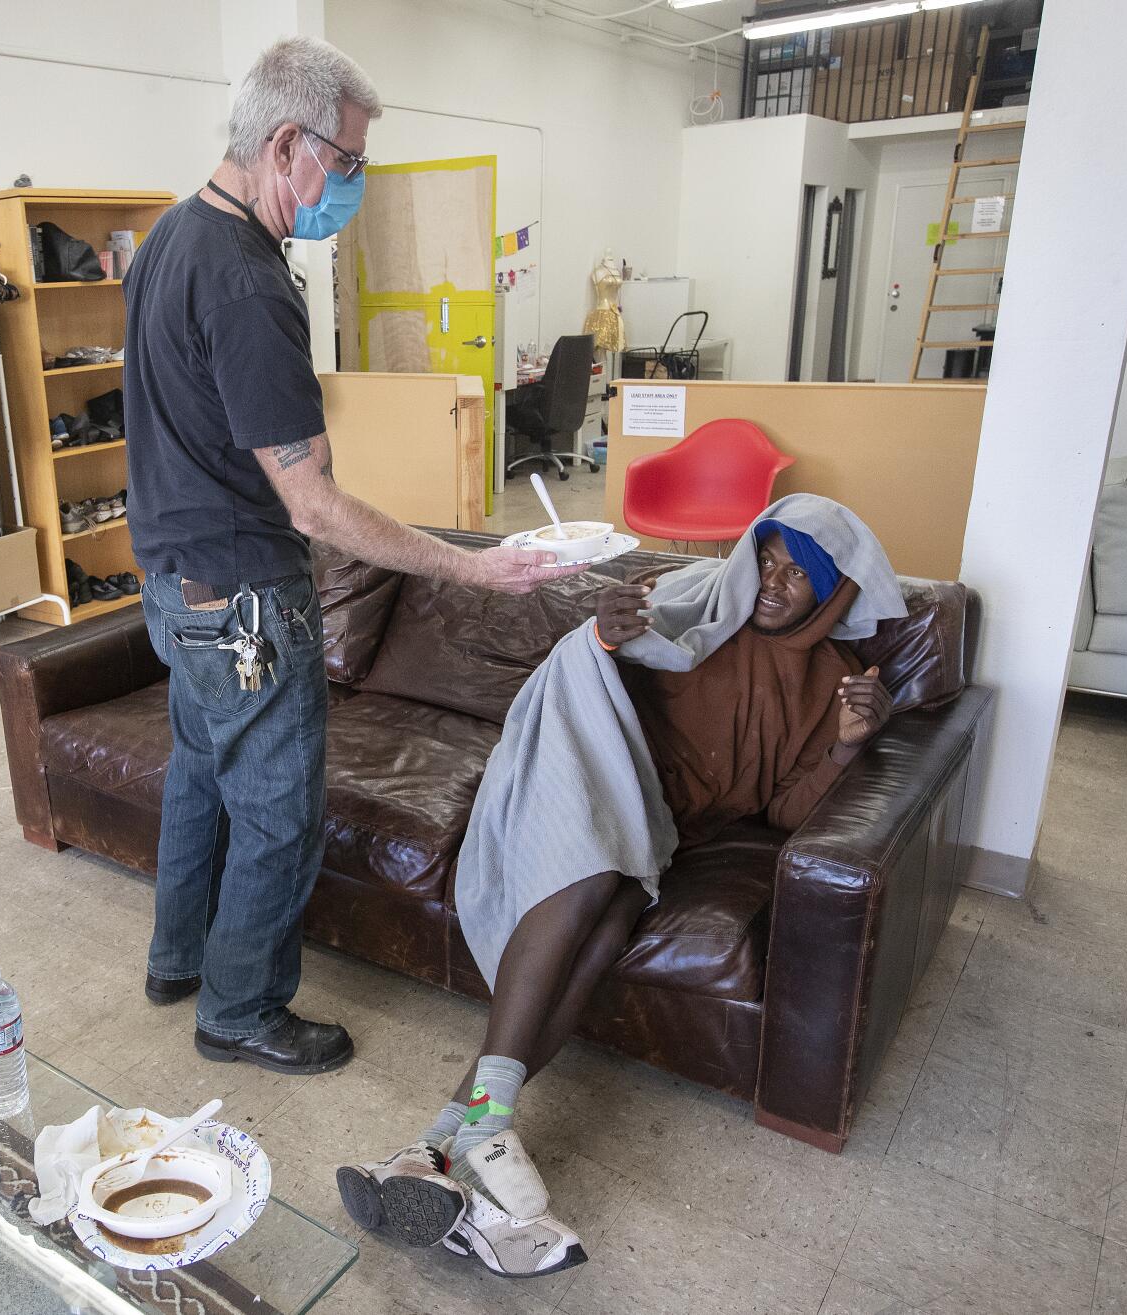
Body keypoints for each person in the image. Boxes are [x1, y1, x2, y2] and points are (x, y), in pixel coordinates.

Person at [122, 36, 587, 1078]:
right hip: (241, 596)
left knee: (199, 775)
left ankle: (177, 960)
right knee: (279, 813)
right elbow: (314, 505)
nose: (353, 185)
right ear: (285, 143)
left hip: (171, 583)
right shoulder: (246, 281)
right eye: (348, 161)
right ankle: (239, 1009)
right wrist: (471, 565)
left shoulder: (165, 239)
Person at [337, 500, 901, 1277]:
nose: (773, 584)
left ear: (834, 590)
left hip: (662, 830)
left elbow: (783, 809)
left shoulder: (836, 685)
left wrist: (844, 750)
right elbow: (590, 672)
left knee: (603, 936)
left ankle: (441, 1141)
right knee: (590, 873)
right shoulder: (698, 598)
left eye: (798, 573)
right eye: (766, 562)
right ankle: (489, 1124)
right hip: (593, 773)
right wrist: (602, 631)